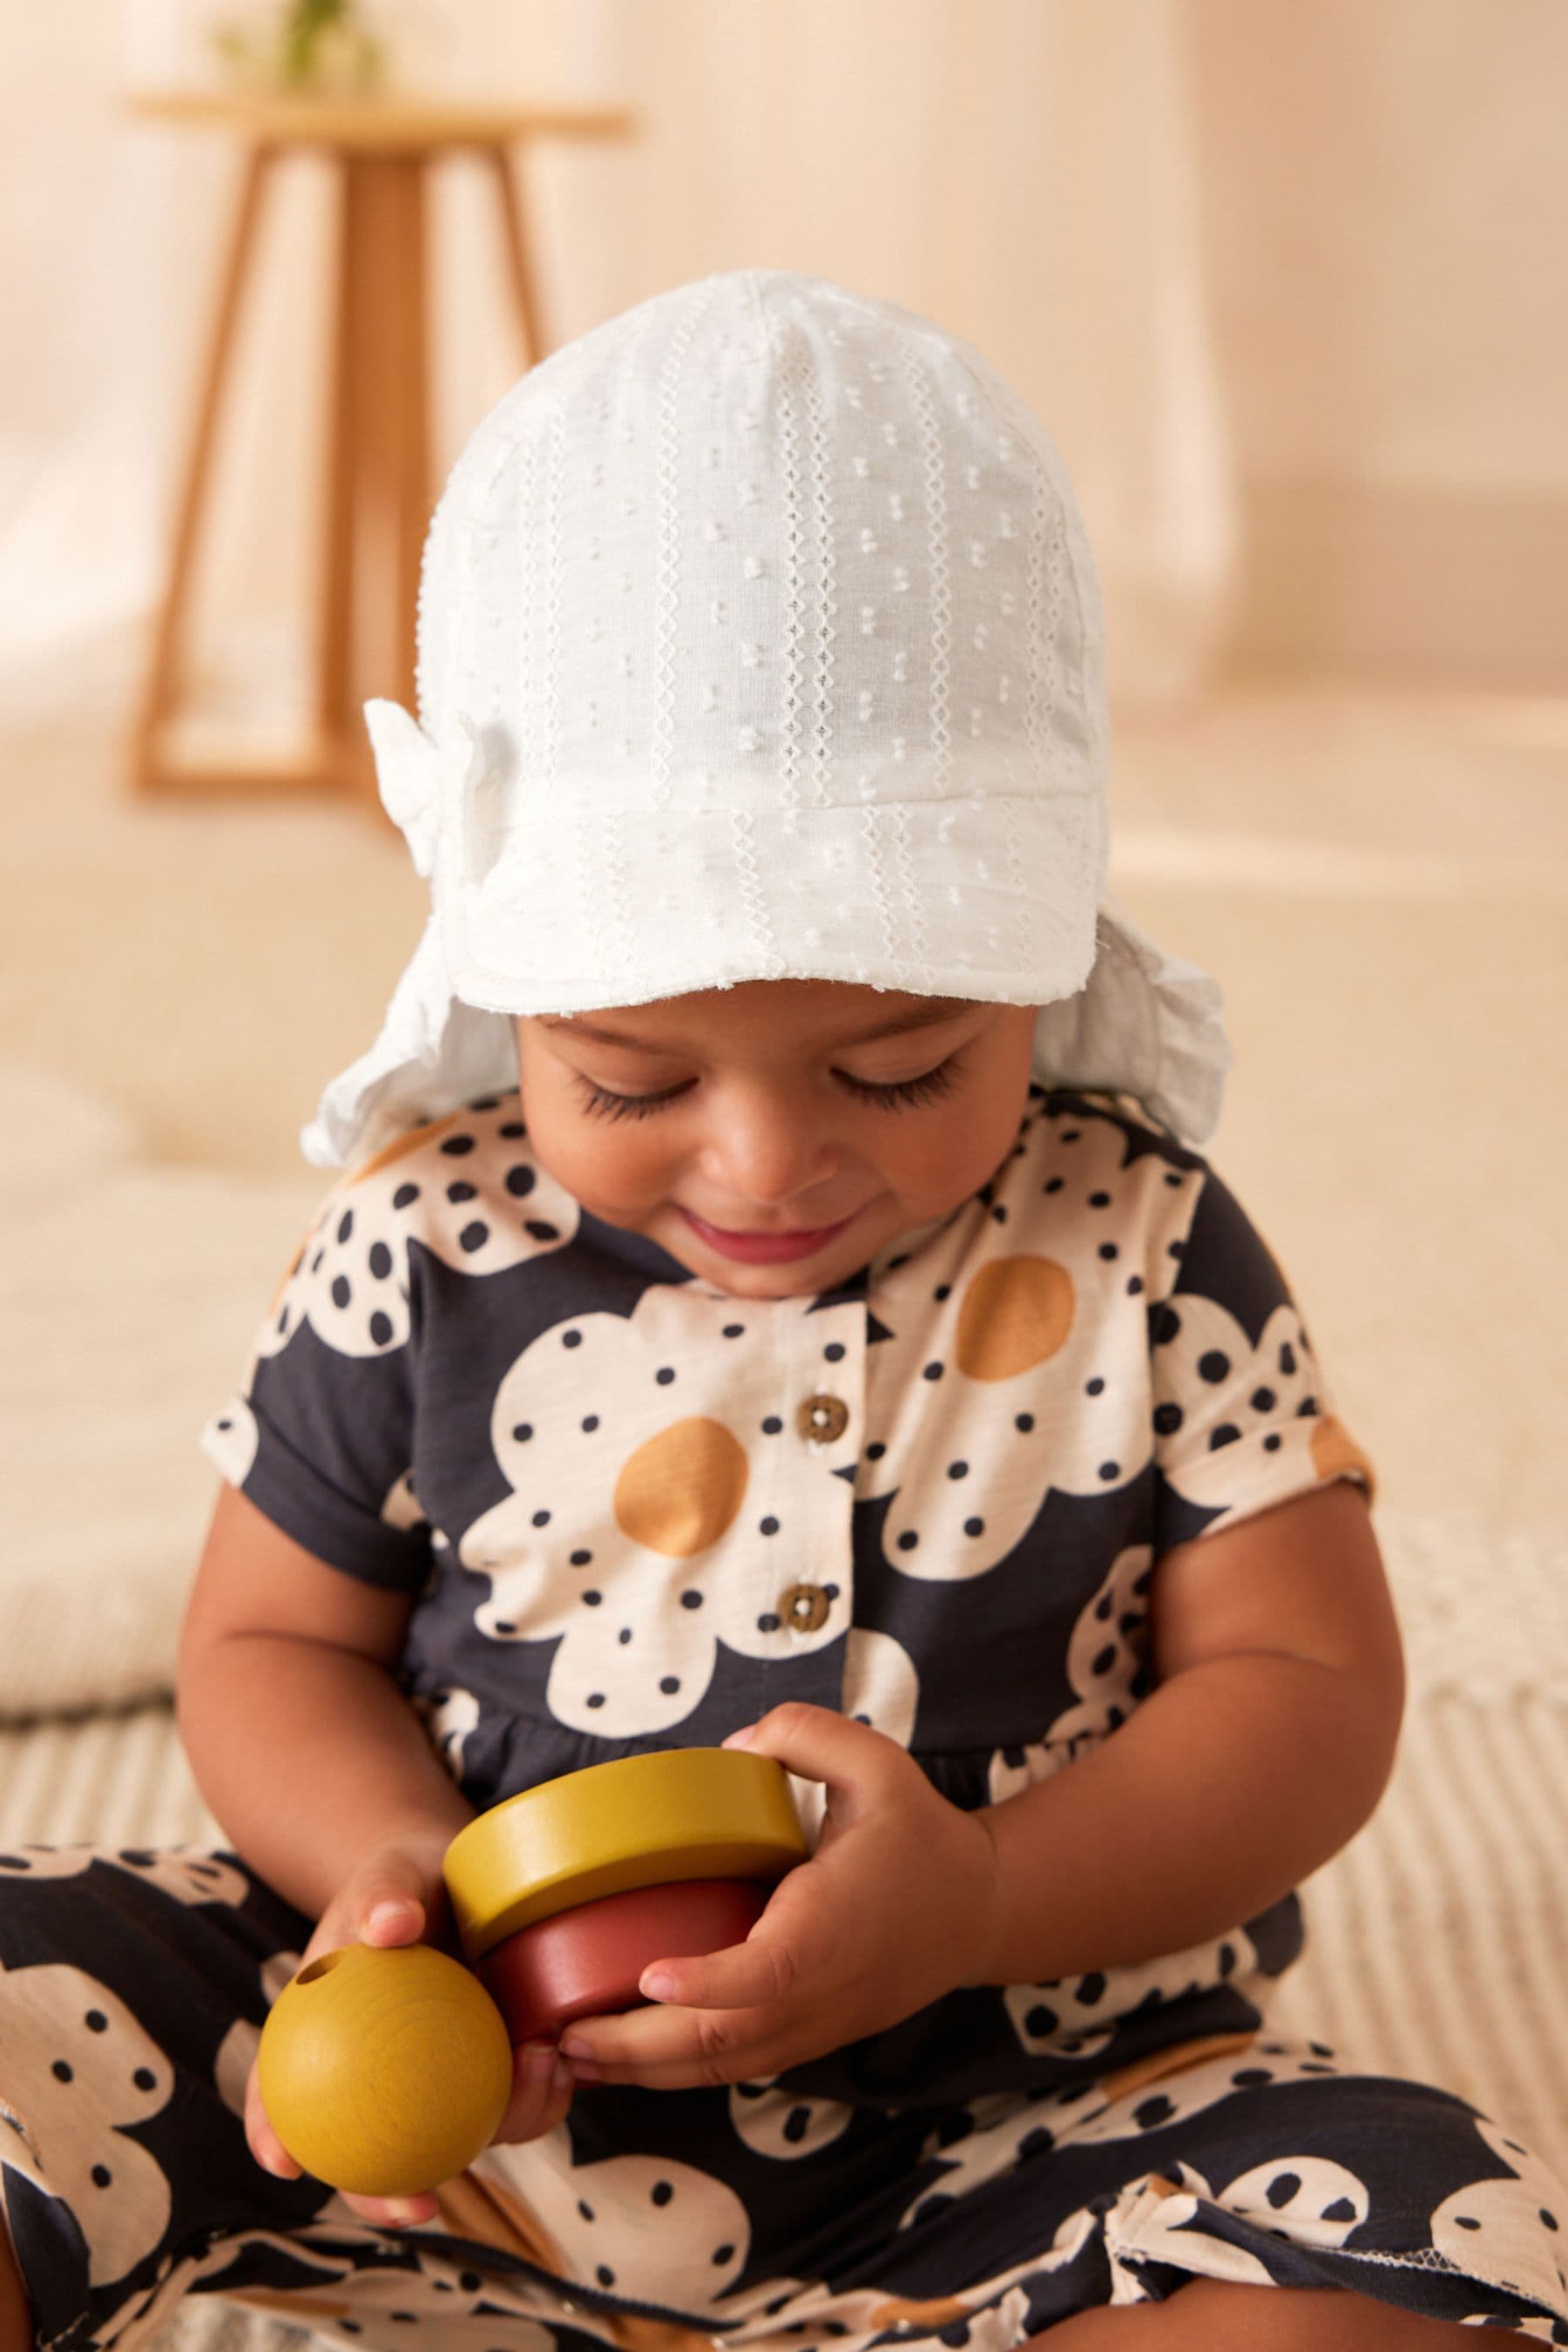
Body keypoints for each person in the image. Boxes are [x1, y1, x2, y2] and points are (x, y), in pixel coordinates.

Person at [1, 269, 1565, 2352]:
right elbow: (269, 1637)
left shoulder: (1143, 1242)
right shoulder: (426, 1243)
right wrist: (394, 1885)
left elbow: (1305, 1684)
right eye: (631, 1081)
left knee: (1409, 2230)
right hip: (457, 2129)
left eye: (902, 1066)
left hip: (1022, 2120)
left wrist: (989, 1903)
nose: (762, 1167)